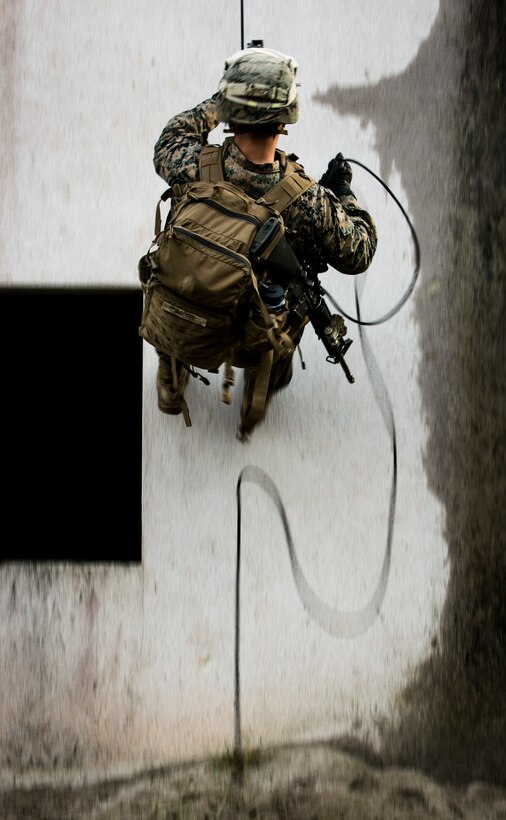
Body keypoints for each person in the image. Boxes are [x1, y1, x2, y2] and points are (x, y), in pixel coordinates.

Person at [152, 47, 377, 429]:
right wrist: (343, 192)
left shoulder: (190, 163)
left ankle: (171, 378)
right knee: (293, 312)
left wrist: (222, 102)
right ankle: (259, 392)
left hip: (185, 314)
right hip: (251, 339)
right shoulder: (309, 202)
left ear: (230, 116)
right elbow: (360, 251)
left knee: (175, 275)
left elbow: (173, 133)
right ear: (287, 119)